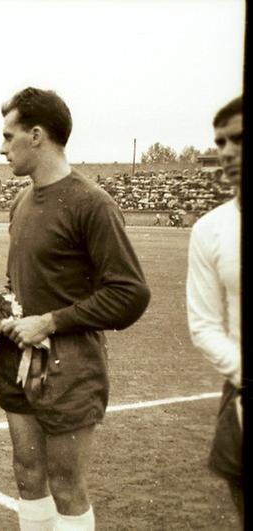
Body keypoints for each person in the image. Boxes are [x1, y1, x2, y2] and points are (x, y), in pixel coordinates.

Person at [0, 87, 150, 530]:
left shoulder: (91, 203)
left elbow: (131, 293)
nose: (1, 148)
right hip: (17, 365)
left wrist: (52, 321)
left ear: (36, 135)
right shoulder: (21, 202)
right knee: (27, 476)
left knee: (66, 485)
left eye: (8, 135)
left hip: (70, 369)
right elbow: (17, 284)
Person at [186, 95, 242, 521]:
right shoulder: (211, 228)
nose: (226, 153)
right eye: (220, 142)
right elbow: (204, 324)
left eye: (238, 140)